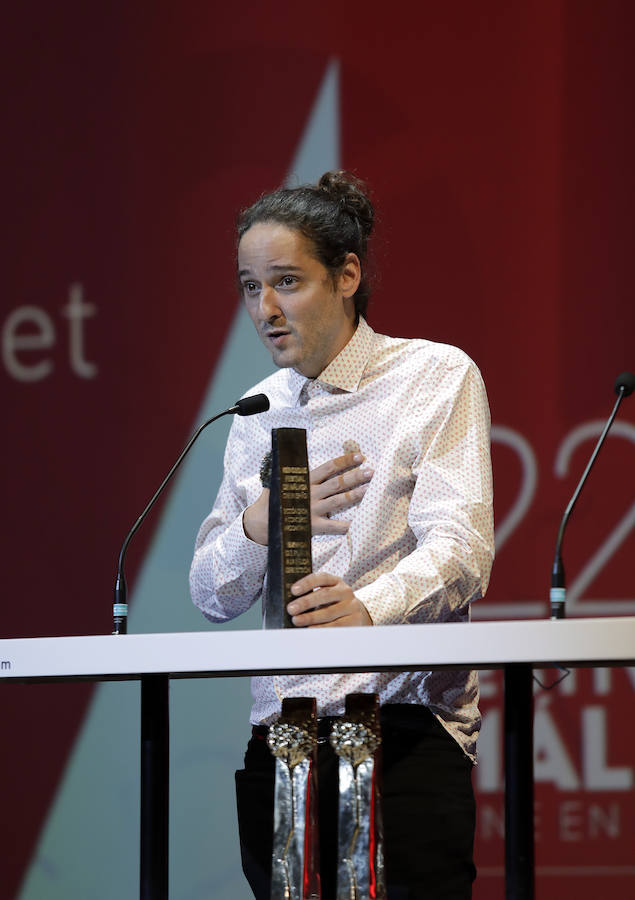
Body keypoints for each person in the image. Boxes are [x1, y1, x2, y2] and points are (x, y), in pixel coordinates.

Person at [189, 171, 494, 899]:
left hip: (403, 732)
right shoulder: (257, 408)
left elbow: (461, 548)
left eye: (286, 282)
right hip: (280, 740)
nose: (265, 309)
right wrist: (256, 525)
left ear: (347, 275)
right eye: (248, 286)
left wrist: (368, 608)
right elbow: (208, 593)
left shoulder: (431, 374)